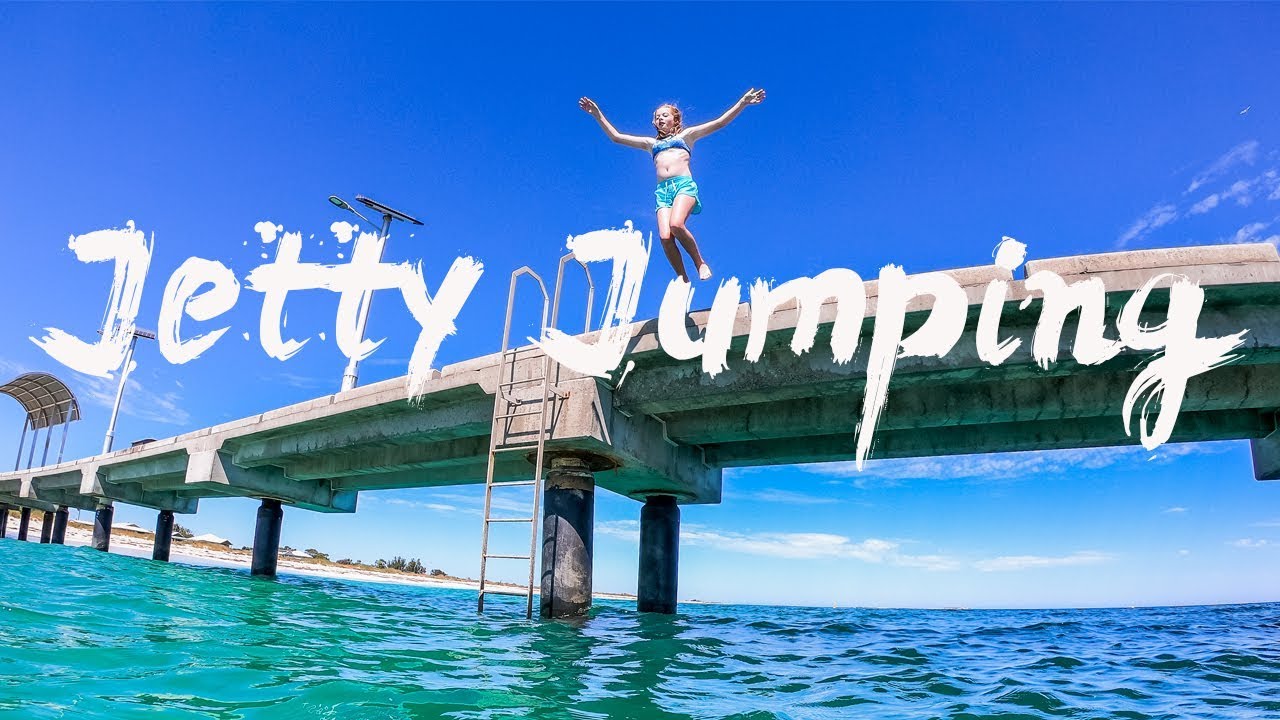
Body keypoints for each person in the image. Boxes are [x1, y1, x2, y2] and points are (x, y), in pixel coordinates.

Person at [579, 88, 766, 281]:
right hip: (662, 192)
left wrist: (742, 103)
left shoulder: (686, 136)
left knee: (676, 224)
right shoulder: (650, 143)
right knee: (665, 237)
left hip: (683, 186)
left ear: (675, 120)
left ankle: (700, 263)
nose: (660, 119)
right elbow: (616, 137)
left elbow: (720, 122)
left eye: (664, 115)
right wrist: (597, 114)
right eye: (657, 117)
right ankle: (682, 278)